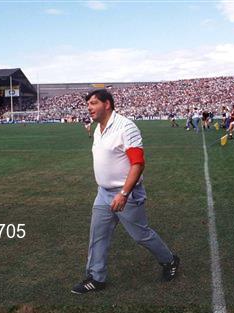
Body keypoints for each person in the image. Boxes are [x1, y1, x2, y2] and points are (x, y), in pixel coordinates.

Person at [71, 89, 179, 294]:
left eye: (93, 103)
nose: (89, 107)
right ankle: (96, 277)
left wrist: (124, 193)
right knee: (98, 235)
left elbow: (138, 164)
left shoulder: (126, 127)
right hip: (103, 193)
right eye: (88, 104)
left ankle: (170, 260)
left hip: (126, 193)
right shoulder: (98, 129)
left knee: (141, 235)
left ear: (107, 104)